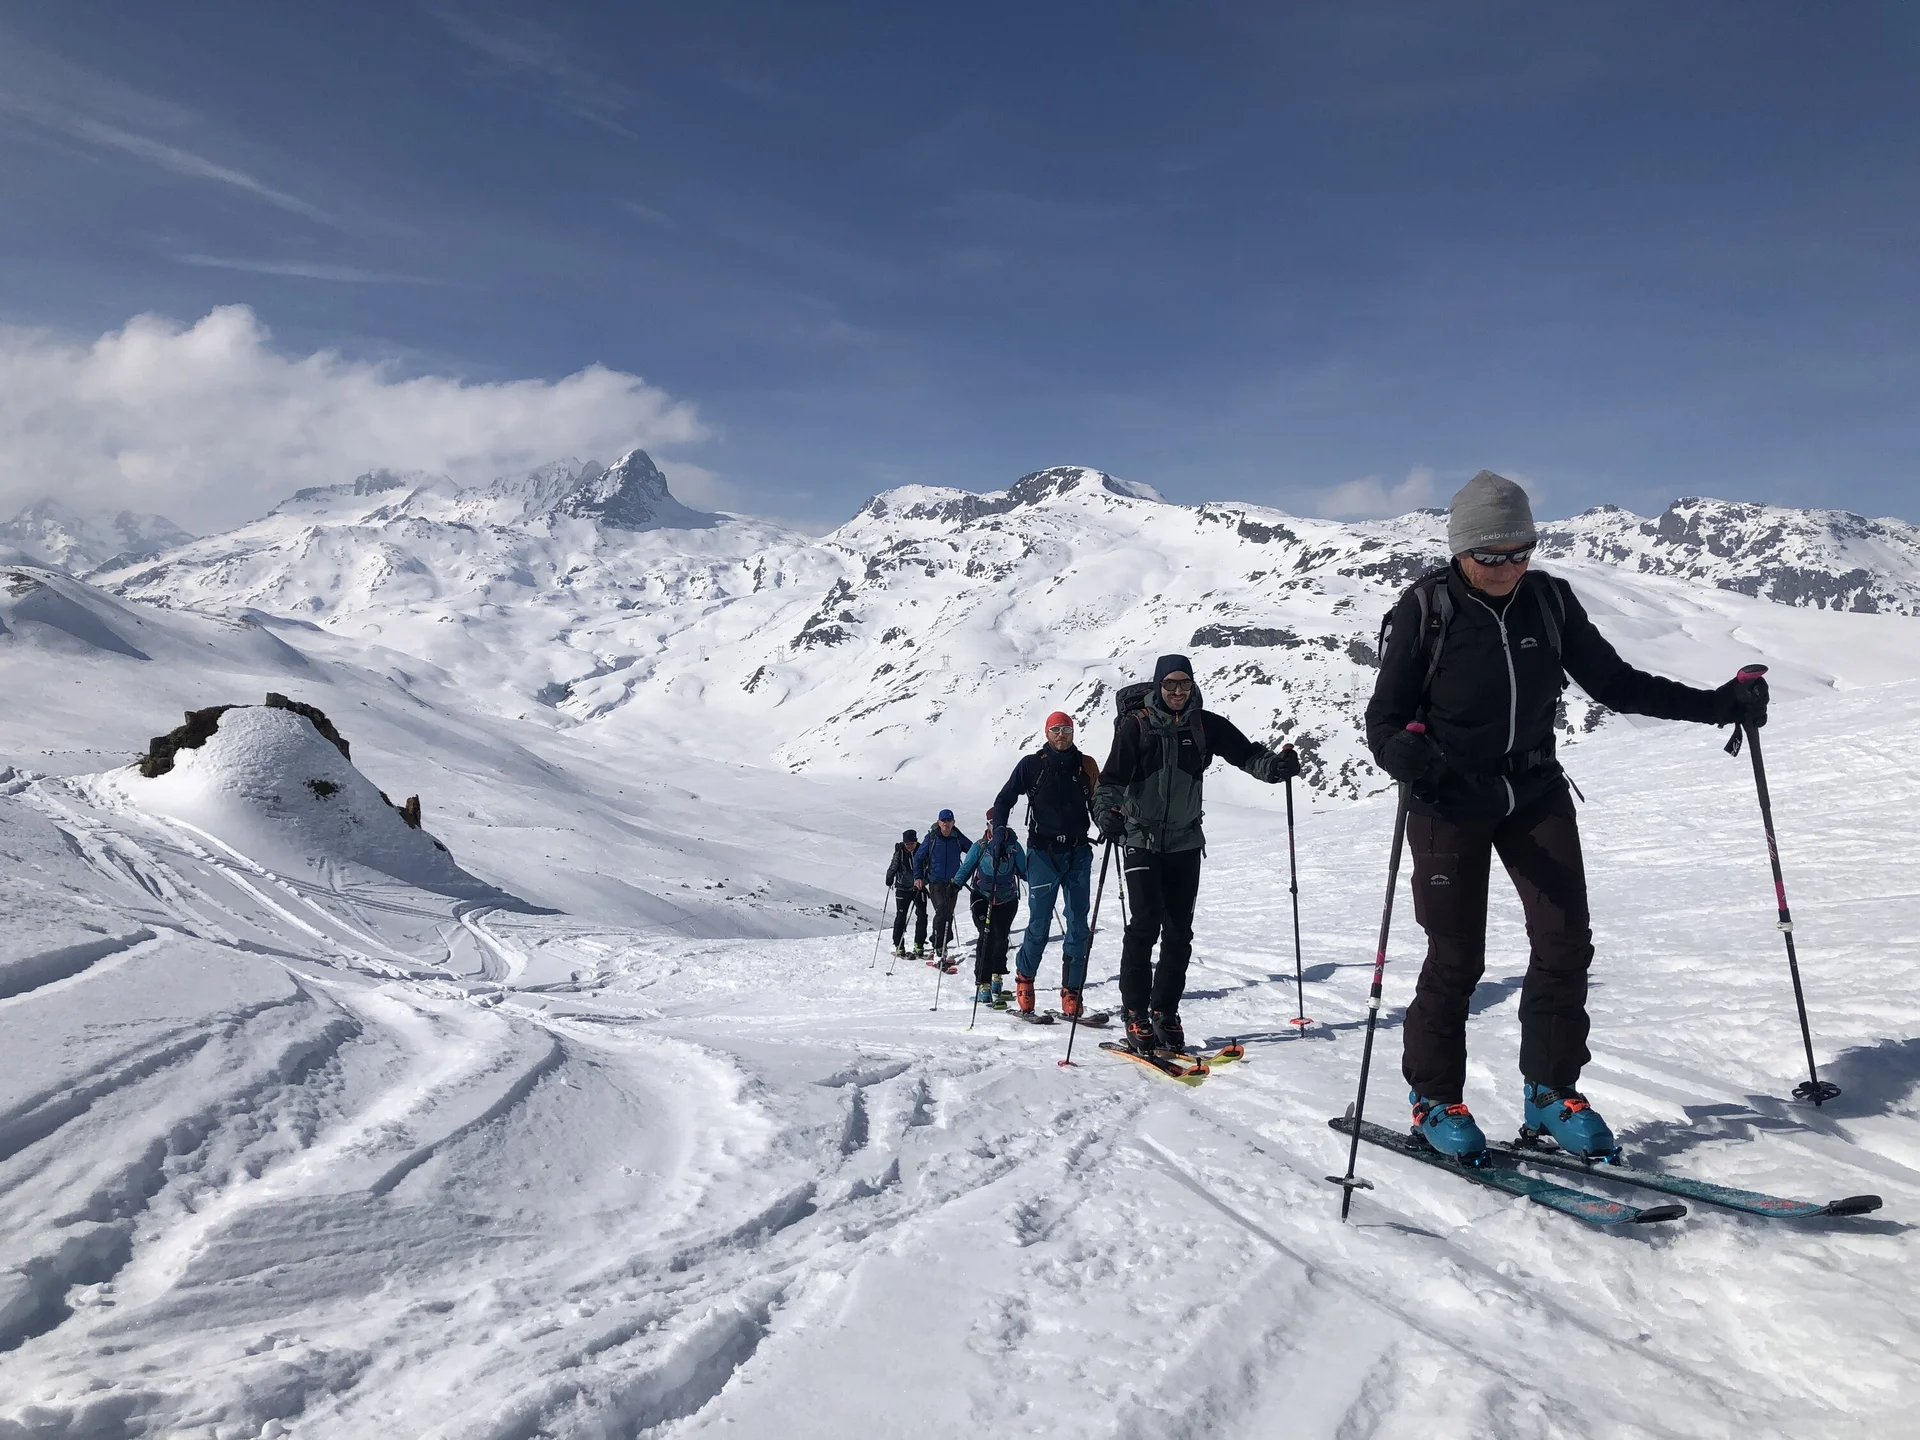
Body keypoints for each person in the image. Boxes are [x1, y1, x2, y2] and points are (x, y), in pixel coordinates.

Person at [1365, 469, 1771, 1161]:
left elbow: (1614, 683)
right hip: (1448, 801)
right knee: (1457, 957)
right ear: (1461, 550)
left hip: (1534, 791)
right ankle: (1434, 1099)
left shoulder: (1548, 601)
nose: (1506, 567)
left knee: (1564, 943)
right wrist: (1402, 755)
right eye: (1490, 555)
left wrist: (1717, 705)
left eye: (1520, 550)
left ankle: (1551, 1093)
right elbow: (1383, 719)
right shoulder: (1424, 609)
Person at [1092, 658, 1301, 1055]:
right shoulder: (1136, 727)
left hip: (1186, 842)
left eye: (1184, 685)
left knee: (1178, 932)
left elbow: (1247, 755)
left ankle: (1164, 1012)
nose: (1177, 692)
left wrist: (1276, 768)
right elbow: (1111, 781)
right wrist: (1106, 813)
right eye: (1170, 685)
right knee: (1144, 924)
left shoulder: (1203, 725)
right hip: (1140, 837)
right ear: (1158, 685)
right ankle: (1135, 1010)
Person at [989, 711, 1101, 1017]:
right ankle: (1025, 980)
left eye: (1066, 729)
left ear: (1073, 732)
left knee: (1078, 923)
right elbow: (1004, 800)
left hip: (1078, 852)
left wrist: (1109, 821)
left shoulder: (1085, 765)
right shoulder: (1032, 765)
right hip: (1042, 854)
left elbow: (1099, 802)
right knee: (1039, 923)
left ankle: (1072, 992)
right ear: (1046, 733)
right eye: (1055, 730)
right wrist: (999, 831)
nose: (1061, 735)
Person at [953, 817, 1026, 1007]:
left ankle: (996, 978)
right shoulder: (980, 846)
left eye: (999, 823)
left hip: (1007, 899)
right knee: (986, 936)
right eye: (992, 823)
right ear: (988, 825)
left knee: (1001, 937)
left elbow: (1025, 870)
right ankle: (983, 984)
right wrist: (955, 884)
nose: (995, 827)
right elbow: (967, 866)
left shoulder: (1014, 846)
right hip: (982, 897)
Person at [912, 809, 972, 968]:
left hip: (953, 883)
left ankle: (942, 945)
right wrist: (918, 877)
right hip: (935, 882)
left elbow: (973, 852)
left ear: (953, 822)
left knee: (948, 914)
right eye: (943, 821)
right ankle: (938, 947)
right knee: (941, 911)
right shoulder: (931, 838)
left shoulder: (958, 837)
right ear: (939, 822)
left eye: (949, 821)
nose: (946, 824)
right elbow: (918, 857)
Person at [884, 829, 928, 958]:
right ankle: (899, 945)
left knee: (922, 916)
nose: (909, 846)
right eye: (907, 844)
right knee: (901, 917)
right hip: (902, 888)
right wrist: (889, 877)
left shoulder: (922, 850)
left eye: (912, 843)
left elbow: (928, 866)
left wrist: (924, 881)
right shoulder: (900, 852)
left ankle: (919, 944)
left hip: (919, 888)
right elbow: (893, 865)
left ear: (916, 841)